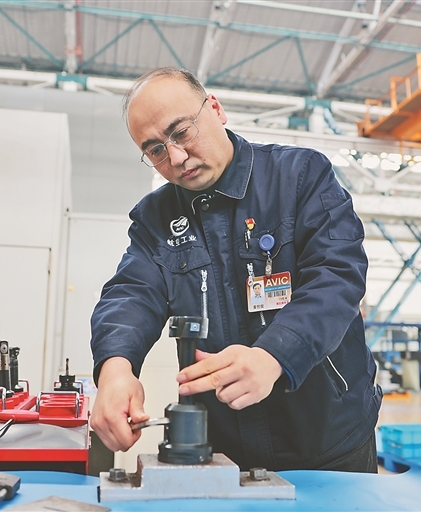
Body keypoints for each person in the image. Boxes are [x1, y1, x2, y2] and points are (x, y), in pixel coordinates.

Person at [90, 67, 382, 472]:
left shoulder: (299, 177)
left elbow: (337, 278)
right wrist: (115, 369)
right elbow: (131, 294)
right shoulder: (155, 218)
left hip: (329, 440)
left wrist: (274, 355)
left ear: (215, 109)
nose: (176, 158)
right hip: (224, 450)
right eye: (155, 150)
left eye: (182, 132)